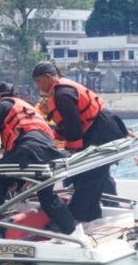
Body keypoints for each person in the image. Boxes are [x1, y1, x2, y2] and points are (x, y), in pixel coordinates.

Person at [0, 83, 82, 240]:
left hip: (28, 149)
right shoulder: (28, 108)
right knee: (47, 197)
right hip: (50, 152)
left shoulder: (4, 105)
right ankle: (73, 232)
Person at [32, 62, 128, 222]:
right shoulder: (62, 91)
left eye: (39, 81)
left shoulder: (62, 94)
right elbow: (68, 124)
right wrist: (55, 138)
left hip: (102, 130)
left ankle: (77, 217)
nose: (38, 86)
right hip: (100, 128)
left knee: (88, 173)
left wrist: (73, 150)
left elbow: (73, 123)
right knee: (89, 173)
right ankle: (92, 215)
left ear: (48, 78)